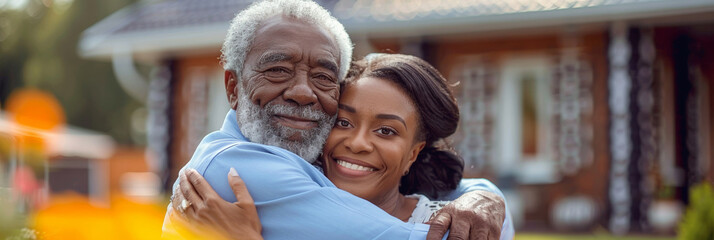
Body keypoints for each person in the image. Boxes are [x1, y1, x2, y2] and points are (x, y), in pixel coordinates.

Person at [163, 0, 513, 239]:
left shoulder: (306, 161)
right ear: (233, 86)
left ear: (413, 154)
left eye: (323, 77)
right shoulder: (234, 172)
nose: (303, 93)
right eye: (278, 69)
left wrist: (484, 195)